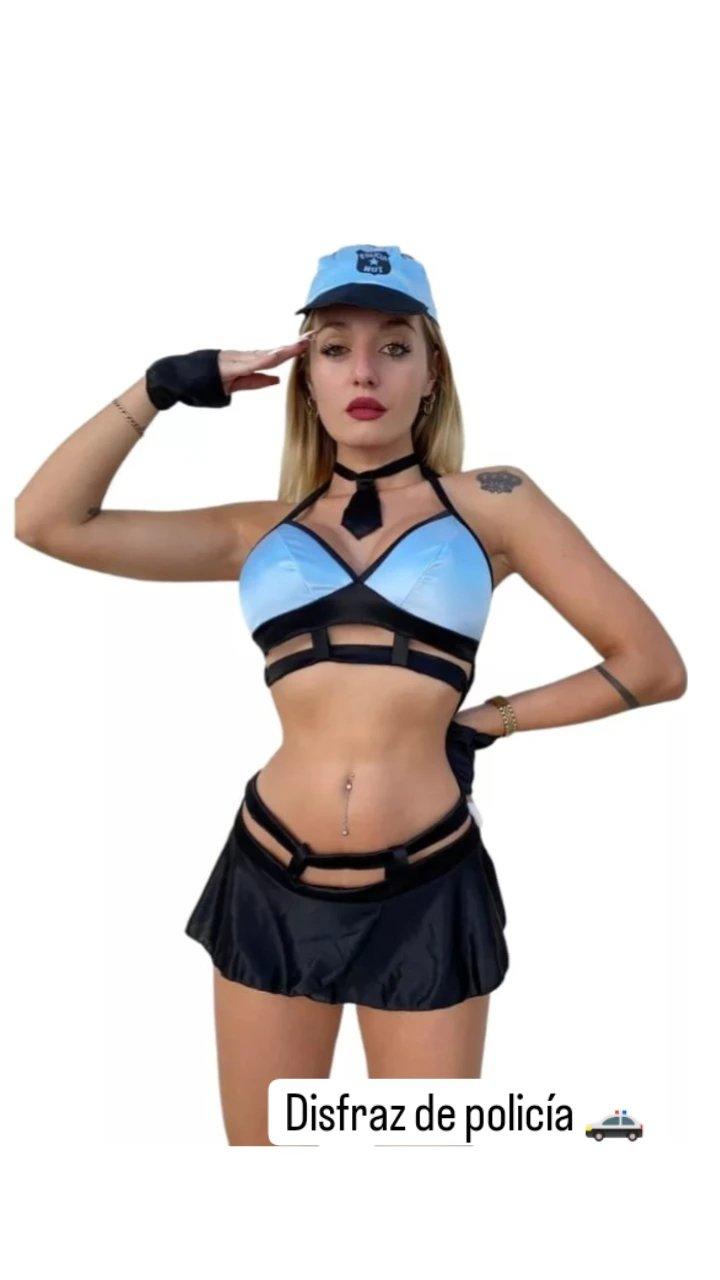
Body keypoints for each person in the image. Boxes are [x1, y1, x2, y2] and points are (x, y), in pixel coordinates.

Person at [14, 243, 687, 1146]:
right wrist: (164, 385)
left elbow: (651, 665)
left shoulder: (493, 503)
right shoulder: (257, 531)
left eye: (394, 346)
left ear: (432, 374)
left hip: (427, 886)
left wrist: (488, 723)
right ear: (307, 379)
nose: (364, 371)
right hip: (268, 875)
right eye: (334, 348)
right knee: (265, 1179)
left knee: (422, 1188)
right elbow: (45, 522)